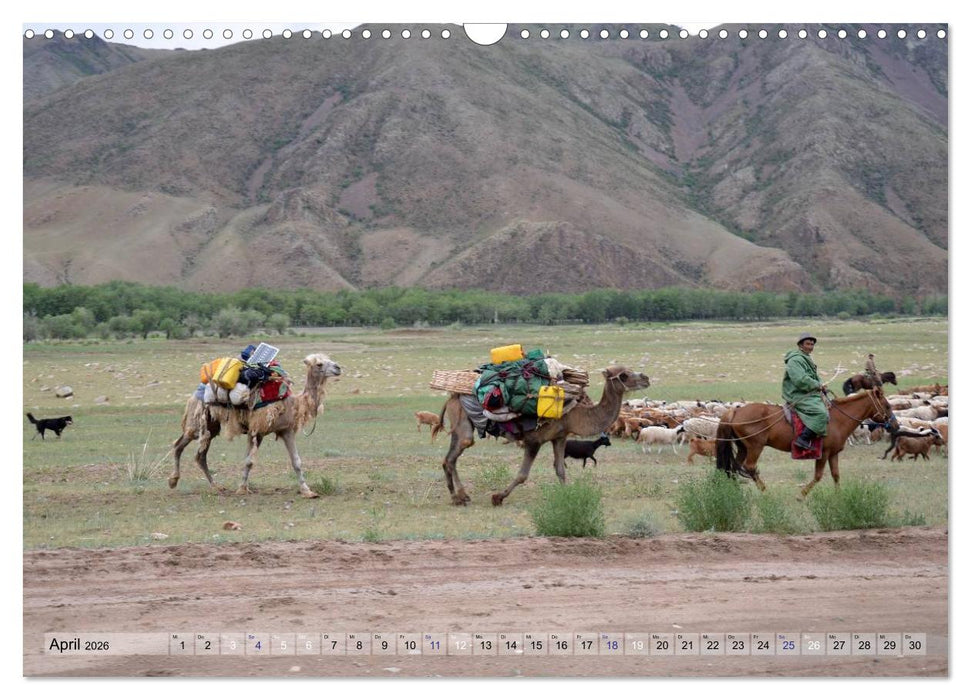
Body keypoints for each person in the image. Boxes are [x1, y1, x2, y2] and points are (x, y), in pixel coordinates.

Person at [782, 333, 829, 450]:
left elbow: (813, 376)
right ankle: (803, 439)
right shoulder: (795, 360)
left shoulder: (806, 357)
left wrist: (821, 384)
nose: (810, 347)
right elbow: (800, 379)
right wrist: (817, 385)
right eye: (808, 344)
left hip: (807, 391)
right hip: (797, 394)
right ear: (800, 345)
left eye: (812, 344)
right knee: (821, 412)